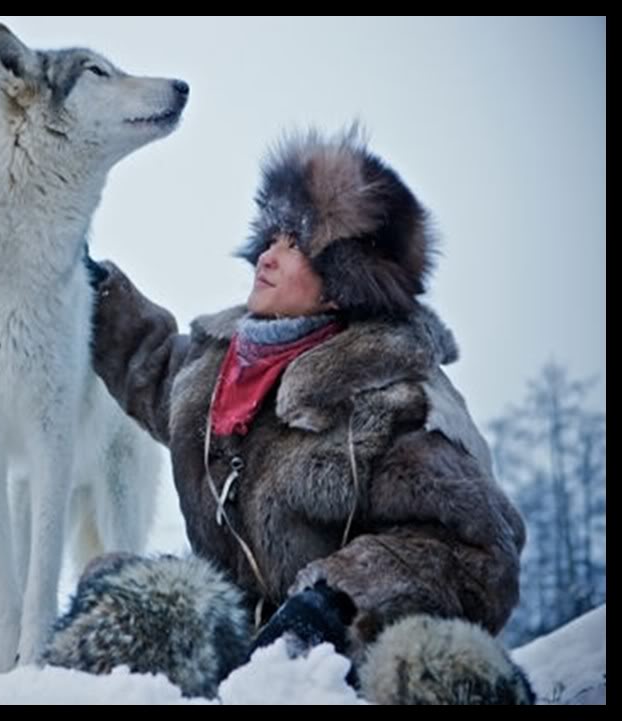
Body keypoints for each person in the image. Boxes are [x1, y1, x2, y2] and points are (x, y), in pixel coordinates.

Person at [48, 128, 531, 702]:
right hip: (245, 656)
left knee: (428, 666)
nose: (267, 255)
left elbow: (480, 550)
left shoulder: (395, 394)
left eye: (295, 243)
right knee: (125, 591)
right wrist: (93, 289)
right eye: (270, 235)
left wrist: (333, 601)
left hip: (347, 660)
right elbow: (151, 366)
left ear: (341, 283)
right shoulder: (221, 367)